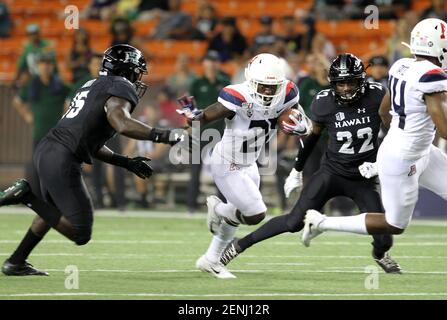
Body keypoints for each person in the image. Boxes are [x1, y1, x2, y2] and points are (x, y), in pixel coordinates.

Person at [0, 44, 179, 276]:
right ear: (126, 69)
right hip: (63, 157)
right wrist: (164, 135)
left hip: (48, 150)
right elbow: (122, 123)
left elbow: (90, 143)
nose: (138, 77)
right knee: (80, 232)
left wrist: (125, 162)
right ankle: (25, 196)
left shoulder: (91, 85)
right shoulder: (119, 86)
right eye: (136, 70)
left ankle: (16, 261)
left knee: (51, 211)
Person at [219, 53, 401, 275]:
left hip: (363, 177)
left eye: (350, 82)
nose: (345, 88)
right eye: (340, 83)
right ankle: (239, 245)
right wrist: (296, 170)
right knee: (294, 222)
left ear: (361, 80)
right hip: (332, 173)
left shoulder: (377, 95)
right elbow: (312, 137)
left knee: (385, 236)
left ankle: (380, 254)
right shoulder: (324, 101)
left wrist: (380, 163)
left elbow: (395, 131)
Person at [300, 19, 447, 262]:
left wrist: (402, 137)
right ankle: (321, 222)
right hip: (404, 157)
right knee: (394, 224)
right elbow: (444, 129)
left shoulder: (402, 65)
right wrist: (404, 145)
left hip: (413, 150)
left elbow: (383, 110)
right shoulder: (430, 77)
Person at [178, 53, 310, 278]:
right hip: (227, 162)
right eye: (263, 86)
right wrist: (193, 118)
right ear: (250, 80)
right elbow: (207, 116)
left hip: (250, 163)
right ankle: (218, 208)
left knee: (238, 216)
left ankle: (211, 260)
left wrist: (302, 126)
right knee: (255, 214)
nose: (268, 92)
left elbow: (301, 119)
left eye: (272, 87)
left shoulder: (288, 92)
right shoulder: (237, 95)